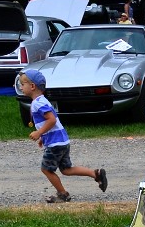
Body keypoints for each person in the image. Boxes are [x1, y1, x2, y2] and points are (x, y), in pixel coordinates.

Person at [18, 70, 108, 204]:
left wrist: (38, 133)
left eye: (22, 84)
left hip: (55, 144)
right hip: (62, 141)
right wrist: (43, 136)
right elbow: (51, 123)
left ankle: (63, 194)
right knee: (66, 169)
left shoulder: (38, 103)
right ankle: (95, 174)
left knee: (46, 170)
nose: (20, 87)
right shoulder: (42, 101)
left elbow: (52, 120)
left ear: (32, 86)